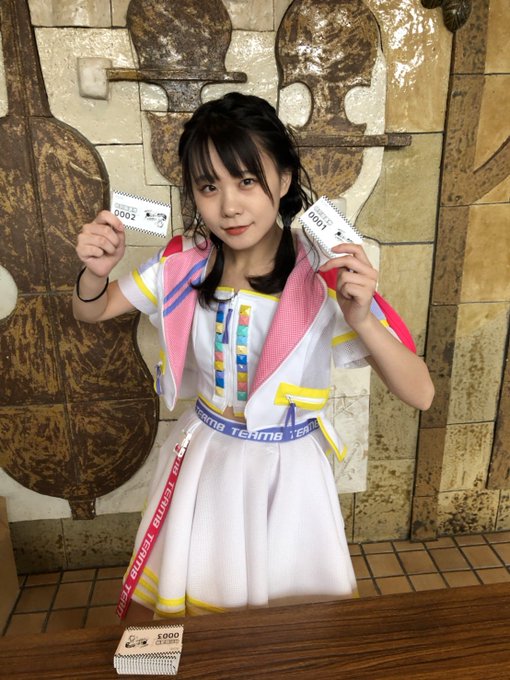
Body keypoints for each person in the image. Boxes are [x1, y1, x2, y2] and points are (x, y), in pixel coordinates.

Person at [73, 92, 434, 622]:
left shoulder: (325, 274)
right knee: (206, 617)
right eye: (209, 186)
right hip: (208, 461)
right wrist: (95, 272)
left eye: (246, 181)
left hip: (288, 473)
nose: (229, 206)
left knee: (292, 629)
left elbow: (420, 393)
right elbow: (93, 310)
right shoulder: (183, 263)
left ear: (284, 179)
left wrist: (360, 318)